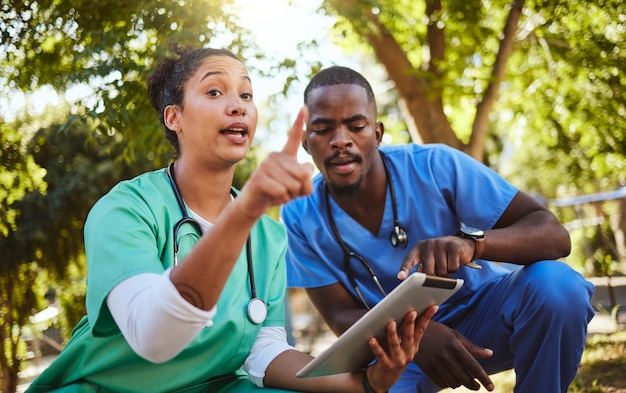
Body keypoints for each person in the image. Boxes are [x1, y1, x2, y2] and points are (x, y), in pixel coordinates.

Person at [26, 47, 437, 393]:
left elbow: (264, 351)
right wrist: (245, 211)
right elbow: (152, 337)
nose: (238, 104)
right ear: (175, 118)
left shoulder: (269, 239)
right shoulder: (127, 210)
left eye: (246, 93)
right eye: (215, 91)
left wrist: (366, 383)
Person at [281, 66, 596, 393]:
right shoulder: (299, 214)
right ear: (305, 141)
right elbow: (339, 314)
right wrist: (415, 334)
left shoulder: (435, 166)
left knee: (557, 287)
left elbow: (554, 235)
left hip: (485, 319)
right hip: (396, 350)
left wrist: (473, 244)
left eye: (356, 126)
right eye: (322, 129)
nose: (340, 141)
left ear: (377, 133)